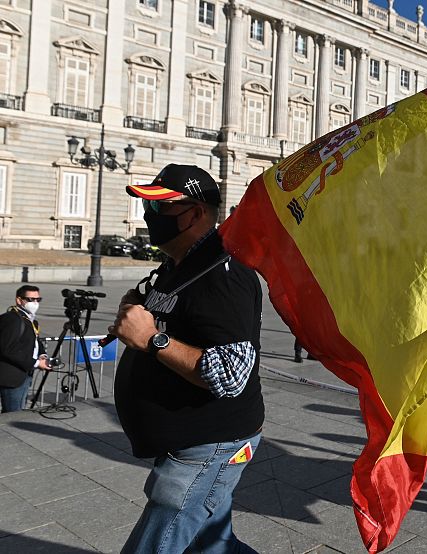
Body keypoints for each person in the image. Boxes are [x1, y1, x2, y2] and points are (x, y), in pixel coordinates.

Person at [110, 164, 264, 553]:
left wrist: (152, 339)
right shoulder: (178, 264)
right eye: (148, 205)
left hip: (208, 445)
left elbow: (231, 374)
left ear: (194, 214)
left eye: (159, 207)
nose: (149, 215)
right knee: (212, 545)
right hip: (189, 439)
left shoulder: (224, 275)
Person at [0, 285, 50, 412]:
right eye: (30, 299)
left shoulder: (29, 319)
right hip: (12, 377)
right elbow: (8, 349)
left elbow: (35, 341)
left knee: (18, 410)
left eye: (38, 299)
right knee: (12, 414)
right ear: (19, 300)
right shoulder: (13, 319)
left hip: (24, 373)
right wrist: (37, 363)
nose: (35, 303)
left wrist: (42, 355)